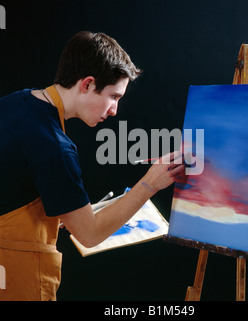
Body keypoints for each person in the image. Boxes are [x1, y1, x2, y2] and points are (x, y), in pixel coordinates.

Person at [0, 31, 184, 301]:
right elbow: (90, 234)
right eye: (114, 96)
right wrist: (150, 183)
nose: (114, 110)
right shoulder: (54, 146)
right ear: (87, 84)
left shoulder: (14, 103)